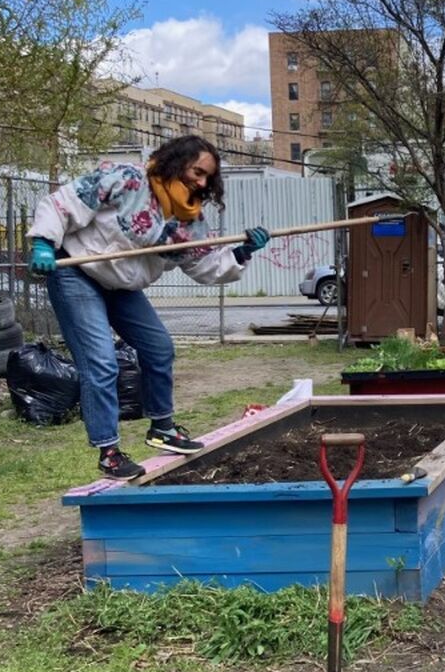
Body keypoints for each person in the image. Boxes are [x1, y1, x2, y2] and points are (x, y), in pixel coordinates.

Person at [26, 136, 270, 479]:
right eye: (197, 172)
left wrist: (242, 253)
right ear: (176, 160)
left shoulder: (189, 222)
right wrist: (43, 243)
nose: (201, 182)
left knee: (159, 348)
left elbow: (205, 267)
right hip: (77, 272)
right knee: (101, 362)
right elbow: (62, 204)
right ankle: (108, 451)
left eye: (207, 179)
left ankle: (162, 428)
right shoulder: (126, 179)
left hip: (121, 287)